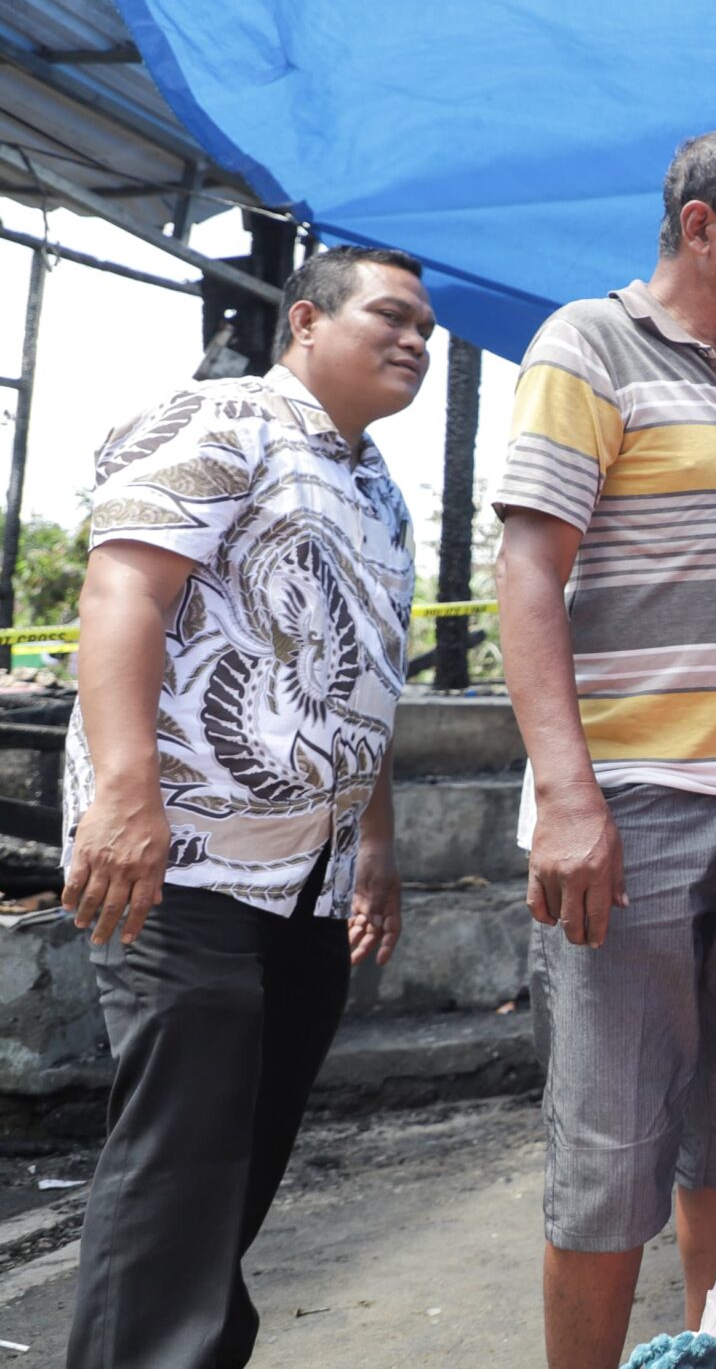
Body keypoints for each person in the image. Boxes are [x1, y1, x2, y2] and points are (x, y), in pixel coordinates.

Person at [61, 245, 432, 1369]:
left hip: (308, 882)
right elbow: (123, 588)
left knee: (238, 1172)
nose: (416, 340)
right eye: (392, 316)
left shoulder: (378, 490)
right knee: (181, 1174)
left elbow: (365, 673)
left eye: (428, 329)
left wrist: (373, 844)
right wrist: (125, 796)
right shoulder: (224, 418)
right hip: (185, 865)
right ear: (307, 321)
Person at [495, 131, 716, 1368]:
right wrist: (569, 798)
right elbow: (529, 570)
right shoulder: (589, 342)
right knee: (611, 1143)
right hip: (632, 803)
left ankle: (714, 1357)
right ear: (699, 225)